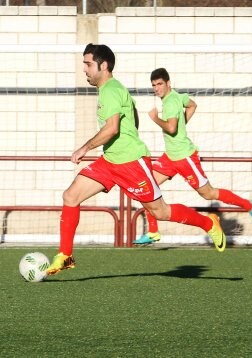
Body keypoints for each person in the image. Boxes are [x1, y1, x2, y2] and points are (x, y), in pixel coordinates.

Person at [45, 44, 226, 275]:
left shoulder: (111, 90)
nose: (84, 69)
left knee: (160, 212)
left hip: (131, 164)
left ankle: (208, 223)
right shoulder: (112, 89)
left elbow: (111, 128)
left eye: (88, 64)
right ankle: (65, 255)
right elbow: (133, 116)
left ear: (104, 65)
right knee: (71, 196)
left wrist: (85, 148)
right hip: (110, 162)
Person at [132, 68, 252, 245]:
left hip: (184, 157)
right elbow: (192, 104)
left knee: (208, 194)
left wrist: (155, 118)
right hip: (170, 157)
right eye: (154, 85)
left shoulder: (170, 102)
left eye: (160, 84)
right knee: (147, 187)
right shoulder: (178, 96)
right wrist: (183, 124)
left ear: (168, 83)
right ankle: (153, 231)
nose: (157, 88)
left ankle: (250, 205)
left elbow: (171, 128)